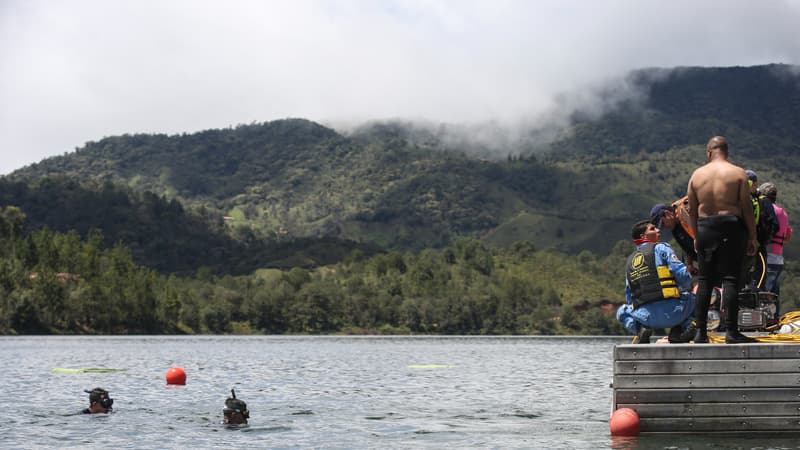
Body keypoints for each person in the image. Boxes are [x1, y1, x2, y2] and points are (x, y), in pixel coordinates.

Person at [687, 136, 757, 344]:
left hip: (705, 226)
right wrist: (753, 236)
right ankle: (731, 332)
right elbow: (746, 208)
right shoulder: (737, 173)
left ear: (709, 152)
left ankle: (700, 333)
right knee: (730, 279)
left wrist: (696, 236)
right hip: (731, 226)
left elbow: (692, 210)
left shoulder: (697, 175)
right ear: (726, 152)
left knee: (705, 280)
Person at [616, 220, 696, 344]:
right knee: (700, 296)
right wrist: (687, 287)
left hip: (646, 318)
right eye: (653, 229)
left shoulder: (630, 260)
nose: (658, 230)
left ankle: (640, 329)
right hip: (675, 313)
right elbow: (682, 275)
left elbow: (629, 295)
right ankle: (679, 330)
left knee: (621, 312)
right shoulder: (661, 248)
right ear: (643, 236)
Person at [741, 170, 778, 290]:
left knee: (742, 278)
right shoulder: (764, 201)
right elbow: (775, 225)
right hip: (758, 247)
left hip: (742, 247)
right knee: (759, 277)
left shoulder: (736, 201)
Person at [760, 182, 792, 316]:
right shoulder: (783, 212)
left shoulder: (767, 209)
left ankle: (763, 323)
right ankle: (775, 321)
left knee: (764, 294)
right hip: (779, 258)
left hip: (767, 257)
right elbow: (787, 237)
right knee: (775, 293)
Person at [650, 201, 697, 275]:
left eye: (663, 223)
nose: (665, 227)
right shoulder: (675, 229)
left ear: (667, 213)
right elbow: (688, 246)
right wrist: (690, 264)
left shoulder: (688, 215)